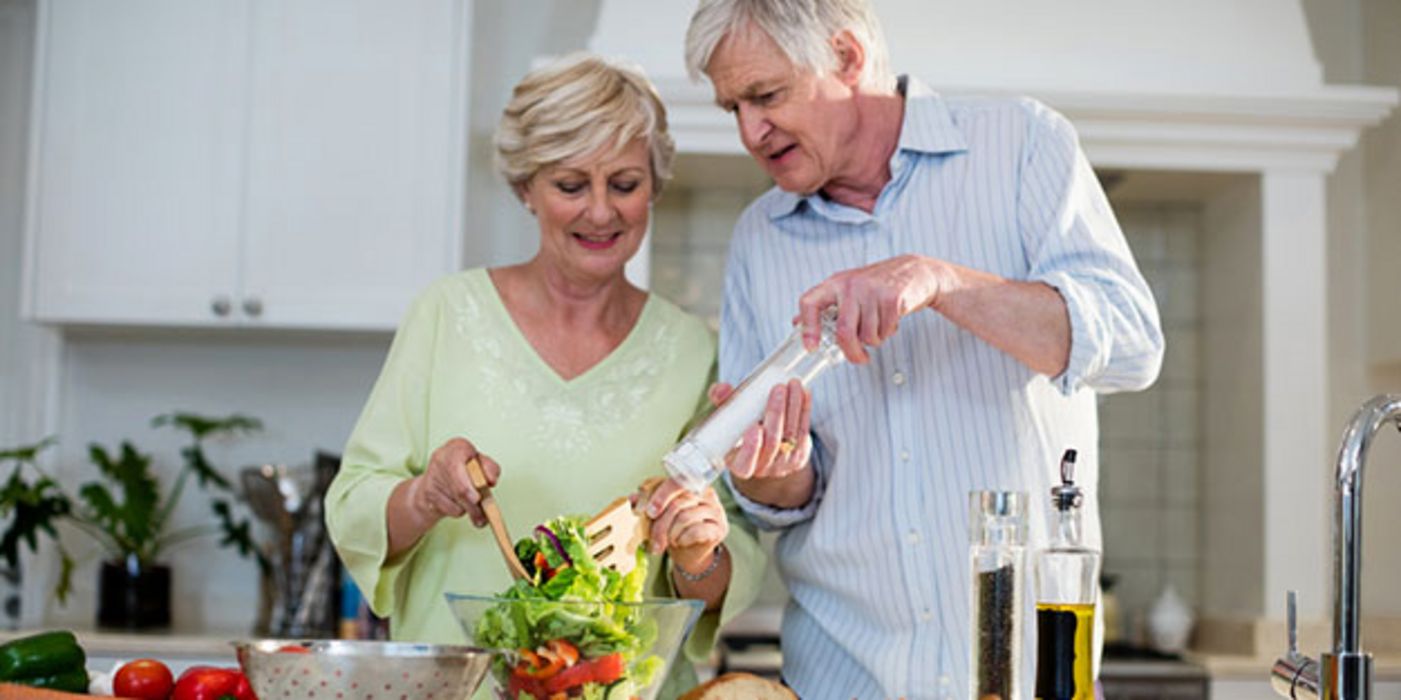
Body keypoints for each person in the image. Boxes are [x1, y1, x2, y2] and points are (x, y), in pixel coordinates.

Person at [682, 1, 1165, 698]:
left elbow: (1128, 344)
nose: (749, 131)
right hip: (839, 677)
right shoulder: (760, 237)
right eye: (733, 108)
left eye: (765, 95)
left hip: (1022, 671)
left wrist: (938, 281)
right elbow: (777, 497)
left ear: (847, 59)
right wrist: (769, 474)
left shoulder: (1022, 144)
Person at [324, 53, 764, 699]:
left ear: (654, 187)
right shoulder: (447, 313)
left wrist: (701, 553)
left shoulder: (692, 350)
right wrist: (427, 495)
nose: (600, 212)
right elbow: (353, 507)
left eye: (623, 184)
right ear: (524, 188)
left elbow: (726, 566)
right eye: (569, 185)